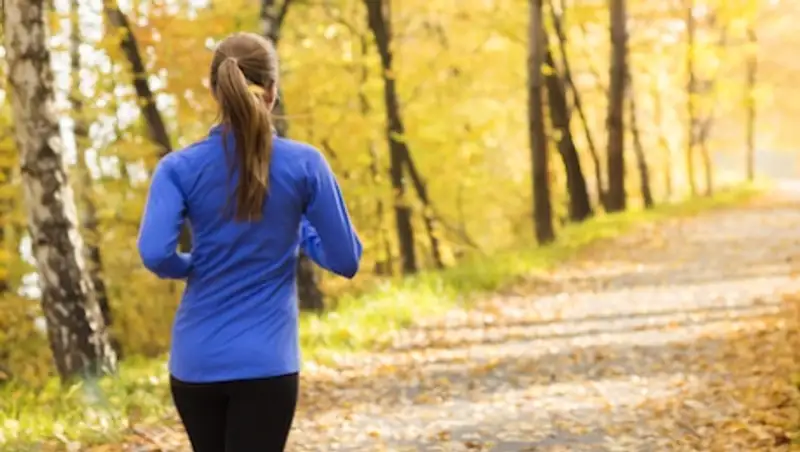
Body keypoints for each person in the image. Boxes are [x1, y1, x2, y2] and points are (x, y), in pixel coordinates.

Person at [136, 32, 362, 452]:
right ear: (272, 91)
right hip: (267, 364)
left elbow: (155, 253)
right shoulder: (305, 164)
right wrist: (300, 230)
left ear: (214, 91)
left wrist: (192, 264)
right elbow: (346, 259)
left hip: (195, 363)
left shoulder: (178, 168)